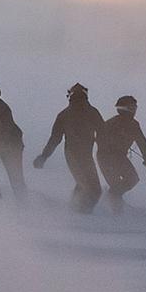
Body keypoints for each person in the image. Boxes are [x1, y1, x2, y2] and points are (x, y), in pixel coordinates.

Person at [33, 82, 105, 213]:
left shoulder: (65, 114)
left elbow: (55, 139)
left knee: (85, 186)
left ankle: (75, 211)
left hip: (75, 156)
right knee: (92, 189)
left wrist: (44, 156)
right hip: (78, 156)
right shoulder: (91, 112)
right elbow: (103, 133)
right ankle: (81, 215)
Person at [95, 94, 146, 214]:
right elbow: (98, 138)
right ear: (127, 109)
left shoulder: (134, 125)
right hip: (105, 157)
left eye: (135, 107)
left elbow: (142, 141)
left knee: (133, 179)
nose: (135, 110)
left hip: (120, 157)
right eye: (133, 107)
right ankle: (114, 209)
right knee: (115, 184)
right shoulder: (111, 123)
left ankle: (113, 198)